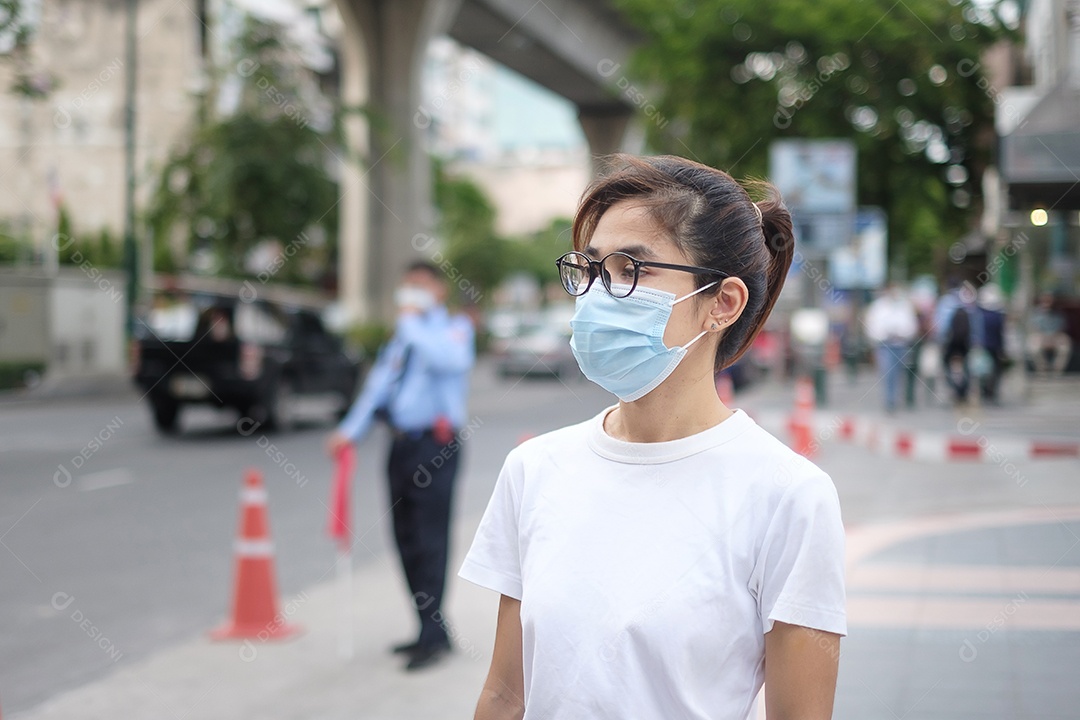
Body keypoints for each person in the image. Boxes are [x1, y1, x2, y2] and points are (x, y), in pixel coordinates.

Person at [460, 155, 846, 719]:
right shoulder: (535, 469)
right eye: (590, 268)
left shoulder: (789, 496)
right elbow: (504, 695)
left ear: (723, 303)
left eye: (630, 269)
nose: (596, 293)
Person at [326, 261, 475, 671]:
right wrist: (349, 432)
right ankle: (427, 627)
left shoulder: (453, 329)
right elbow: (377, 388)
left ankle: (433, 635)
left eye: (421, 285)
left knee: (430, 539)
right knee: (405, 538)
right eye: (407, 285)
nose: (412, 292)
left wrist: (411, 325)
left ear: (440, 290)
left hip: (436, 446)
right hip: (399, 445)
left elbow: (451, 362)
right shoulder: (400, 341)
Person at [864, 282, 918, 413]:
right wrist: (883, 334)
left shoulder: (904, 306)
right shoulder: (878, 307)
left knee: (898, 374)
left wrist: (901, 333)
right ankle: (889, 401)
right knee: (887, 373)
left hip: (900, 344)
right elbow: (871, 326)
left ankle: (895, 399)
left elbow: (911, 326)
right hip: (884, 345)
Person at [1028, 292, 1072, 375]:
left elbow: (1062, 328)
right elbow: (1034, 328)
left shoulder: (1058, 313)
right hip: (1041, 337)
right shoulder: (1036, 314)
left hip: (1055, 337)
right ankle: (1043, 369)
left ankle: (1056, 370)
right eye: (1045, 301)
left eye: (1049, 301)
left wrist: (1052, 337)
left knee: (1065, 345)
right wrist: (1044, 338)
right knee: (1034, 346)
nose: (1047, 303)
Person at [977, 283, 1007, 402]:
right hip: (995, 346)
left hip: (982, 346)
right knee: (994, 370)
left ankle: (985, 390)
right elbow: (1001, 334)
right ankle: (990, 391)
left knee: (982, 370)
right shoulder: (999, 316)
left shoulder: (979, 314)